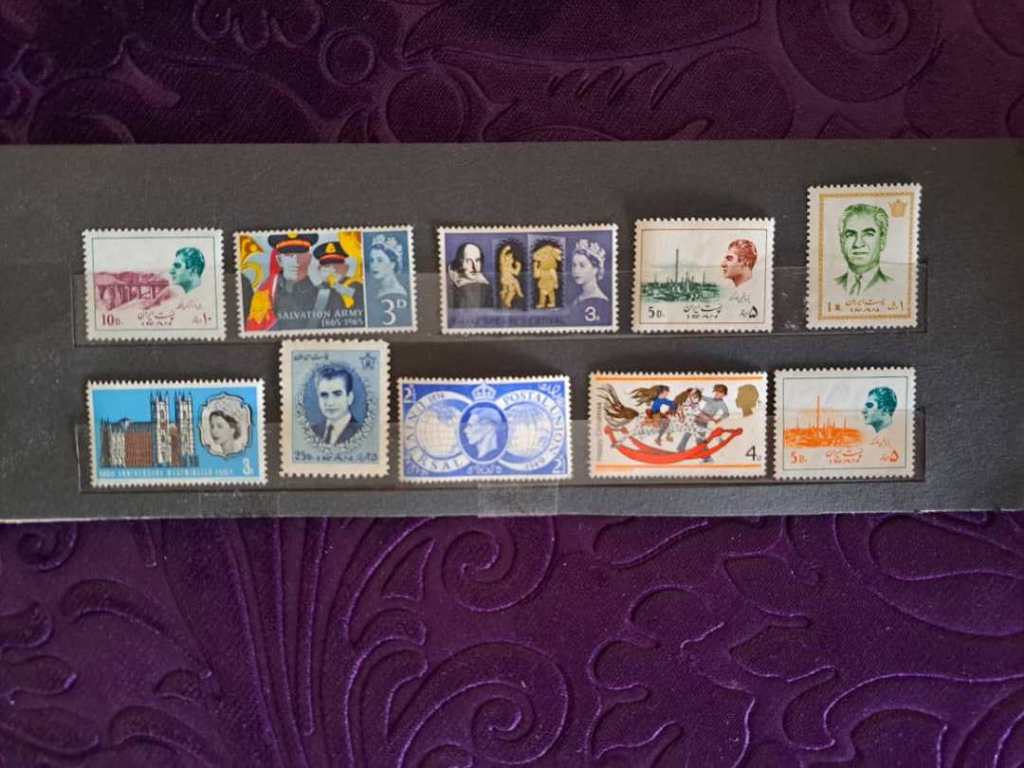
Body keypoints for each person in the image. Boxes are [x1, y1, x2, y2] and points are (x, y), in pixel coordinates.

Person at [258, 232, 320, 330]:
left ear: (309, 258)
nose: (294, 260)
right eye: (288, 255)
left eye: (300, 254)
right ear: (279, 260)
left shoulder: (326, 295)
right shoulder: (266, 291)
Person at [836, 203, 892, 295]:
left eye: (868, 234)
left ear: (882, 240)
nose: (858, 244)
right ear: (842, 242)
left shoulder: (894, 287)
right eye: (850, 234)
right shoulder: (829, 286)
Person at [312, 240, 362, 325]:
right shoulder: (318, 290)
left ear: (346, 267)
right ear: (319, 269)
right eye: (327, 266)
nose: (333, 270)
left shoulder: (354, 285)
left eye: (337, 265)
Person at [310, 364, 361, 445]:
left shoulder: (361, 431)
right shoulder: (312, 431)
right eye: (324, 395)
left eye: (337, 394)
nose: (330, 403)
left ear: (349, 398)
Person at [448, 242, 492, 308]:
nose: (474, 267)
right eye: (468, 261)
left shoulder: (486, 286)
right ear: (460, 263)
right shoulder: (450, 284)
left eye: (477, 260)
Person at [571, 238, 609, 305]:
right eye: (574, 265)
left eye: (582, 265)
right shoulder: (578, 299)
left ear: (595, 269)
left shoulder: (601, 301)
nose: (576, 270)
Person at [368, 234, 408, 299]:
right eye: (372, 260)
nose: (373, 265)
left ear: (392, 264)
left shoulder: (396, 293)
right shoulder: (378, 289)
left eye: (380, 260)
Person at [532, 238, 563, 309]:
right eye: (542, 258)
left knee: (551, 293)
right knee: (542, 294)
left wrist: (556, 283)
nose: (543, 259)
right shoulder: (541, 268)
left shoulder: (551, 270)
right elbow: (536, 276)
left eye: (546, 257)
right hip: (542, 282)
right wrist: (535, 267)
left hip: (550, 283)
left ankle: (552, 303)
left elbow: (554, 276)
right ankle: (541, 303)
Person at [496, 239, 525, 309]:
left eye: (512, 258)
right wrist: (505, 250)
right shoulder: (503, 264)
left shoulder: (510, 267)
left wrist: (518, 266)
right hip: (505, 279)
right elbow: (501, 256)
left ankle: (506, 301)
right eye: (508, 257)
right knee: (515, 283)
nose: (511, 259)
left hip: (508, 279)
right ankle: (517, 293)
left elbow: (516, 273)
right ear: (505, 258)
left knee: (508, 290)